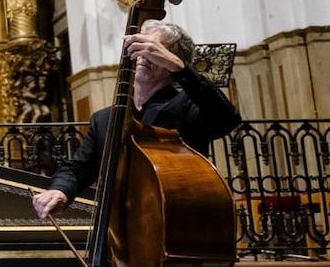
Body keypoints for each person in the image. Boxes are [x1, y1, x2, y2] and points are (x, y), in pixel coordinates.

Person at [33, 20, 242, 220]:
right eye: (138, 49)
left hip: (177, 222)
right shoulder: (105, 118)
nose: (142, 56)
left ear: (171, 60)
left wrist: (181, 69)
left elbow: (227, 119)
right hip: (120, 233)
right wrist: (60, 190)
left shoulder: (188, 106)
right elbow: (78, 169)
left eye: (153, 51)